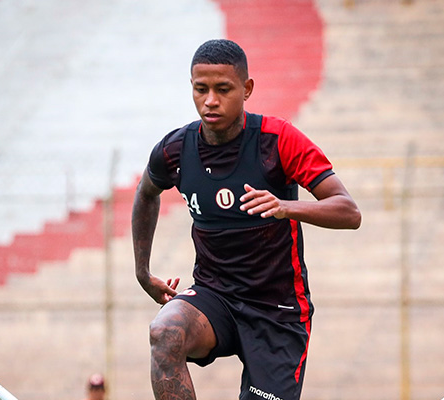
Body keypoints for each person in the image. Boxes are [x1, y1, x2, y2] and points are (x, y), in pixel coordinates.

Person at [132, 39, 361, 400]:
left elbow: (348, 211)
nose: (210, 100)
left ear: (247, 88)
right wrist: (142, 273)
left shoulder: (278, 141)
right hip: (214, 296)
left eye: (223, 89)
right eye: (201, 89)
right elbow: (146, 193)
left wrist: (286, 207)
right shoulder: (175, 149)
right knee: (165, 331)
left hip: (277, 311)